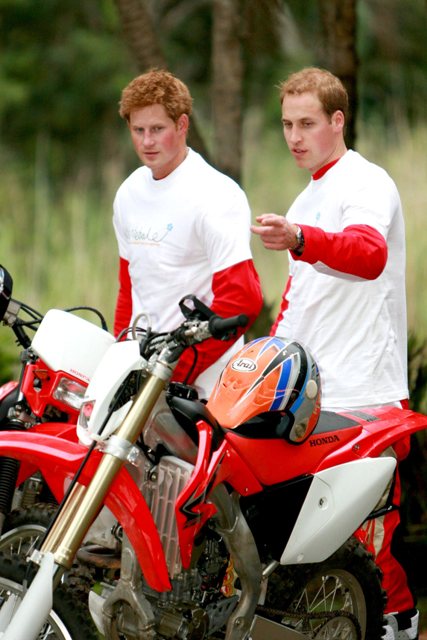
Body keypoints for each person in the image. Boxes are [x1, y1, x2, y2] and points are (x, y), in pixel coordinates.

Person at [251, 67, 418, 640]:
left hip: (367, 393)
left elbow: (368, 255)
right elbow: (297, 303)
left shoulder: (366, 182)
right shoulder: (307, 196)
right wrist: (265, 365)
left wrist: (301, 238)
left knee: (367, 538)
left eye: (307, 123)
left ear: (338, 120)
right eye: (286, 125)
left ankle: (397, 626)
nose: (294, 137)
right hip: (312, 401)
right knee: (312, 541)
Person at [113, 68, 263, 398]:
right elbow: (129, 288)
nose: (147, 141)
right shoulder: (128, 193)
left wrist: (176, 369)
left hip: (204, 380)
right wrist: (120, 357)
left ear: (182, 125)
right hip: (143, 369)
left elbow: (242, 299)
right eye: (138, 130)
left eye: (157, 129)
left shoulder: (216, 194)